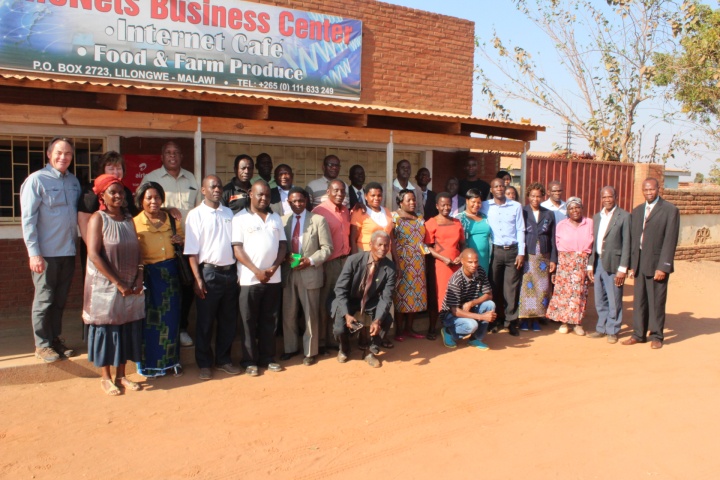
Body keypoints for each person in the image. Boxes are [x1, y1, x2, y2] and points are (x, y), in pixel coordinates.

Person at [20, 137, 81, 363]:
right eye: (59, 153)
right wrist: (33, 253)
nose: (63, 157)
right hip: (45, 254)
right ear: (49, 154)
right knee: (44, 300)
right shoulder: (36, 181)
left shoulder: (74, 182)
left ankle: (55, 339)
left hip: (67, 251)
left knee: (60, 300)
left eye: (68, 154)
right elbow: (28, 220)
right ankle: (42, 345)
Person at [82, 174, 145, 396]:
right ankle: (106, 378)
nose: (118, 196)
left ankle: (122, 375)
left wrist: (138, 277)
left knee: (126, 328)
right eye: (112, 192)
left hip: (130, 284)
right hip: (106, 285)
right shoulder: (97, 219)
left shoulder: (129, 219)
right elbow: (93, 255)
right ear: (102, 195)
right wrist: (118, 283)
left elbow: (139, 252)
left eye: (120, 191)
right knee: (107, 330)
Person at [140, 141, 201, 348]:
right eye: (168, 152)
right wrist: (167, 208)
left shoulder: (191, 178)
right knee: (163, 291)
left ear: (182, 156)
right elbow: (144, 204)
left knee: (186, 287)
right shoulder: (152, 178)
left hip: (188, 243)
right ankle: (161, 330)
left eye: (176, 152)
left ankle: (182, 327)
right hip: (164, 244)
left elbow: (198, 208)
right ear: (162, 156)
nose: (172, 155)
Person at [185, 175, 240, 380]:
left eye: (219, 186)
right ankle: (204, 363)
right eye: (213, 186)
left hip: (230, 273)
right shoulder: (195, 215)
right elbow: (191, 251)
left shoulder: (228, 212)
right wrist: (197, 278)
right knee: (205, 322)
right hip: (209, 273)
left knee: (228, 321)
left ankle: (224, 360)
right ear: (203, 190)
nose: (217, 189)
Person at [233, 181, 287, 376]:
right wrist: (256, 270)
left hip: (273, 278)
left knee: (269, 320)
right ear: (250, 194)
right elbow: (237, 250)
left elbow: (282, 246)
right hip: (250, 279)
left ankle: (267, 358)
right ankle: (249, 361)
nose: (263, 198)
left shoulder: (275, 219)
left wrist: (273, 267)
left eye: (266, 195)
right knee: (248, 321)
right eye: (259, 195)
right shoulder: (239, 219)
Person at [133, 182, 184, 377]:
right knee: (151, 323)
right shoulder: (135, 223)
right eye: (149, 198)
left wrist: (181, 240)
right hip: (149, 277)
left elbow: (184, 239)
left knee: (171, 321)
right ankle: (151, 365)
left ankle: (171, 362)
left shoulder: (172, 219)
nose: (153, 201)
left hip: (171, 277)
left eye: (157, 197)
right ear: (141, 201)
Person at [623, 178, 679, 349]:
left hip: (657, 265)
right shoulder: (637, 211)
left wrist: (664, 266)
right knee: (639, 301)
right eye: (645, 190)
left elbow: (670, 241)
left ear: (658, 189)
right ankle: (638, 334)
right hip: (640, 264)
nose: (648, 193)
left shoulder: (670, 210)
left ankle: (656, 335)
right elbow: (634, 241)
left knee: (656, 302)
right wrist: (633, 265)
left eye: (651, 190)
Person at [279, 188, 333, 366]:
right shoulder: (282, 220)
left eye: (301, 201)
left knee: (310, 314)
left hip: (309, 272)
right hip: (289, 272)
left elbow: (327, 248)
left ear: (306, 201)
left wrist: (310, 260)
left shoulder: (318, 220)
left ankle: (310, 351)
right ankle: (290, 347)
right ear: (288, 202)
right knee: (289, 313)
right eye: (293, 201)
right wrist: (285, 256)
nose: (297, 204)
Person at [331, 230, 396, 368]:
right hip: (349, 299)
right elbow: (340, 289)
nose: (383, 249)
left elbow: (386, 298)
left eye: (386, 245)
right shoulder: (353, 260)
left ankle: (370, 352)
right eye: (379, 245)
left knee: (386, 320)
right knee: (339, 329)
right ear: (370, 244)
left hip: (370, 300)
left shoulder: (390, 268)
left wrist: (377, 320)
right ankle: (344, 349)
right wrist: (347, 315)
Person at [78, 152, 140, 280]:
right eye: (111, 168)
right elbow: (83, 220)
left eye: (119, 168)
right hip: (98, 251)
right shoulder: (92, 191)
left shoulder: (126, 191)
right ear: (102, 170)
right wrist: (94, 250)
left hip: (120, 249)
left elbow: (134, 217)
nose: (115, 172)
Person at [587, 186, 631, 345]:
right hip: (598, 261)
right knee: (600, 298)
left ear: (616, 197)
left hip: (614, 263)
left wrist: (622, 268)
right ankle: (601, 328)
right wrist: (590, 264)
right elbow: (593, 243)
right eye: (604, 197)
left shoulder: (624, 216)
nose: (607, 200)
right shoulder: (596, 217)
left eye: (609, 197)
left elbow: (627, 243)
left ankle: (613, 330)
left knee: (614, 298)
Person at [482, 178, 525, 336]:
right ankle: (493, 320)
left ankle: (510, 321)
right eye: (496, 186)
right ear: (492, 190)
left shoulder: (516, 206)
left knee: (511, 288)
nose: (499, 188)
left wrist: (521, 252)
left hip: (512, 251)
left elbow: (520, 229)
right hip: (495, 251)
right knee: (493, 287)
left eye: (501, 186)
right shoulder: (485, 206)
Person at [313, 180, 352, 353]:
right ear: (328, 191)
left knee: (340, 302)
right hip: (328, 264)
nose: (339, 194)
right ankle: (321, 341)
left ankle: (336, 339)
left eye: (342, 191)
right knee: (323, 304)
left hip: (345, 262)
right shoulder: (319, 212)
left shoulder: (346, 211)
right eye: (336, 190)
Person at [546, 197, 594, 335]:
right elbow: (555, 245)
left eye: (577, 207)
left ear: (582, 208)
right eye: (571, 208)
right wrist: (555, 264)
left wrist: (590, 265)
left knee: (579, 294)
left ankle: (577, 323)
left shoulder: (589, 223)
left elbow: (593, 245)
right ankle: (564, 322)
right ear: (567, 210)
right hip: (565, 262)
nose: (574, 211)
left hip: (581, 262)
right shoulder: (561, 225)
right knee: (564, 293)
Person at [424, 192, 465, 339]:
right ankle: (432, 328)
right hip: (440, 265)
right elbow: (427, 247)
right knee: (438, 296)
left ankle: (452, 327)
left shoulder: (457, 222)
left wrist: (460, 256)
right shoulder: (431, 223)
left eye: (449, 204)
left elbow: (463, 244)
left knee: (455, 296)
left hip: (456, 265)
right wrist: (443, 258)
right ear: (437, 206)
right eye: (443, 205)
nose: (446, 207)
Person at [438, 249, 497, 350]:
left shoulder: (480, 271)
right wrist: (482, 317)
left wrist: (472, 303)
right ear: (462, 261)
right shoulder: (456, 280)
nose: (474, 265)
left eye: (476, 262)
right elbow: (455, 311)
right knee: (471, 325)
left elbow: (489, 295)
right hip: (450, 314)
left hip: (468, 309)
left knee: (490, 305)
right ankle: (449, 332)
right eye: (470, 262)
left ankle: (475, 339)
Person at [518, 183, 557, 332]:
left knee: (542, 288)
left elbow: (553, 238)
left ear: (542, 197)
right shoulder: (523, 212)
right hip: (528, 255)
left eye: (538, 196)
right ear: (528, 197)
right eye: (532, 196)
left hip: (543, 256)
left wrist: (553, 259)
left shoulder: (549, 214)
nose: (535, 199)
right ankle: (524, 319)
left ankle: (536, 319)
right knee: (526, 288)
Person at [391, 189, 429, 341]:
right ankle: (399, 330)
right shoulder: (394, 217)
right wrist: (397, 264)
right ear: (400, 202)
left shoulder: (420, 217)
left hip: (418, 262)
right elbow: (392, 241)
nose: (413, 203)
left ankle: (410, 329)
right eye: (409, 200)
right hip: (402, 261)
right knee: (401, 296)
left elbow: (423, 239)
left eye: (414, 200)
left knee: (415, 296)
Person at [350, 182, 394, 253]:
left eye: (379, 195)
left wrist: (395, 261)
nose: (376, 198)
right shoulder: (359, 212)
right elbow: (353, 239)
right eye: (373, 195)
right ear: (365, 196)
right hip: (366, 253)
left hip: (386, 254)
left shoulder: (387, 211)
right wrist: (355, 259)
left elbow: (391, 238)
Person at [456, 188, 492, 275]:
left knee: (482, 285)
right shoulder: (459, 218)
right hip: (469, 260)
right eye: (473, 202)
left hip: (484, 259)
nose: (476, 205)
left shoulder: (485, 217)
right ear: (467, 201)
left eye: (479, 202)